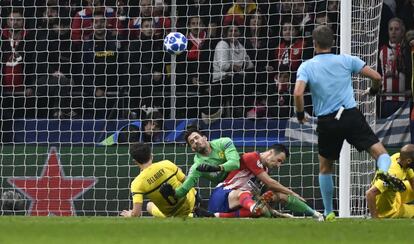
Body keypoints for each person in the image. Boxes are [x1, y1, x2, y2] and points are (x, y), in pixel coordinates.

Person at [293, 25, 403, 221]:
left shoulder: (307, 66)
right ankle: (384, 174)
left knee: (326, 167)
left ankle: (329, 212)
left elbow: (298, 93)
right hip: (350, 115)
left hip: (327, 121)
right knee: (381, 154)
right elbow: (377, 77)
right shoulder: (346, 60)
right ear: (333, 42)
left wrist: (300, 114)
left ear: (314, 44)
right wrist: (373, 91)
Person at [205, 144, 324, 221]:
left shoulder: (265, 170)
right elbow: (271, 183)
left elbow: (256, 195)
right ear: (271, 152)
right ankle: (252, 209)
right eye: (279, 161)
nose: (278, 165)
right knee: (244, 194)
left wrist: (275, 213)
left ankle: (316, 214)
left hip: (241, 203)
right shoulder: (251, 157)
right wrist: (292, 193)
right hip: (223, 196)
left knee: (276, 198)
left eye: (281, 163)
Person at [159, 127, 240, 199]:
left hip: (241, 172)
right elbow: (183, 189)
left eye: (197, 137)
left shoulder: (224, 142)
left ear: (205, 138)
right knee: (216, 200)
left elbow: (235, 163)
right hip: (226, 185)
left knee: (249, 157)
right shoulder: (198, 167)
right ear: (192, 149)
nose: (196, 141)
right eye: (192, 142)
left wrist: (217, 168)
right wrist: (172, 193)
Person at [120, 143, 196, 218]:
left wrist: (129, 214)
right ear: (151, 156)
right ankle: (195, 208)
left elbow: (136, 214)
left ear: (135, 161)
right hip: (190, 202)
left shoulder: (137, 183)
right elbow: (187, 182)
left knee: (149, 206)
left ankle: (190, 216)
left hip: (172, 214)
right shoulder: (166, 164)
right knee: (181, 179)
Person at [366, 144, 414, 218]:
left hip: (396, 194)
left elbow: (412, 180)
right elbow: (370, 193)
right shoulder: (393, 172)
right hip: (389, 210)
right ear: (409, 161)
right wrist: (375, 217)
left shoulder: (399, 157)